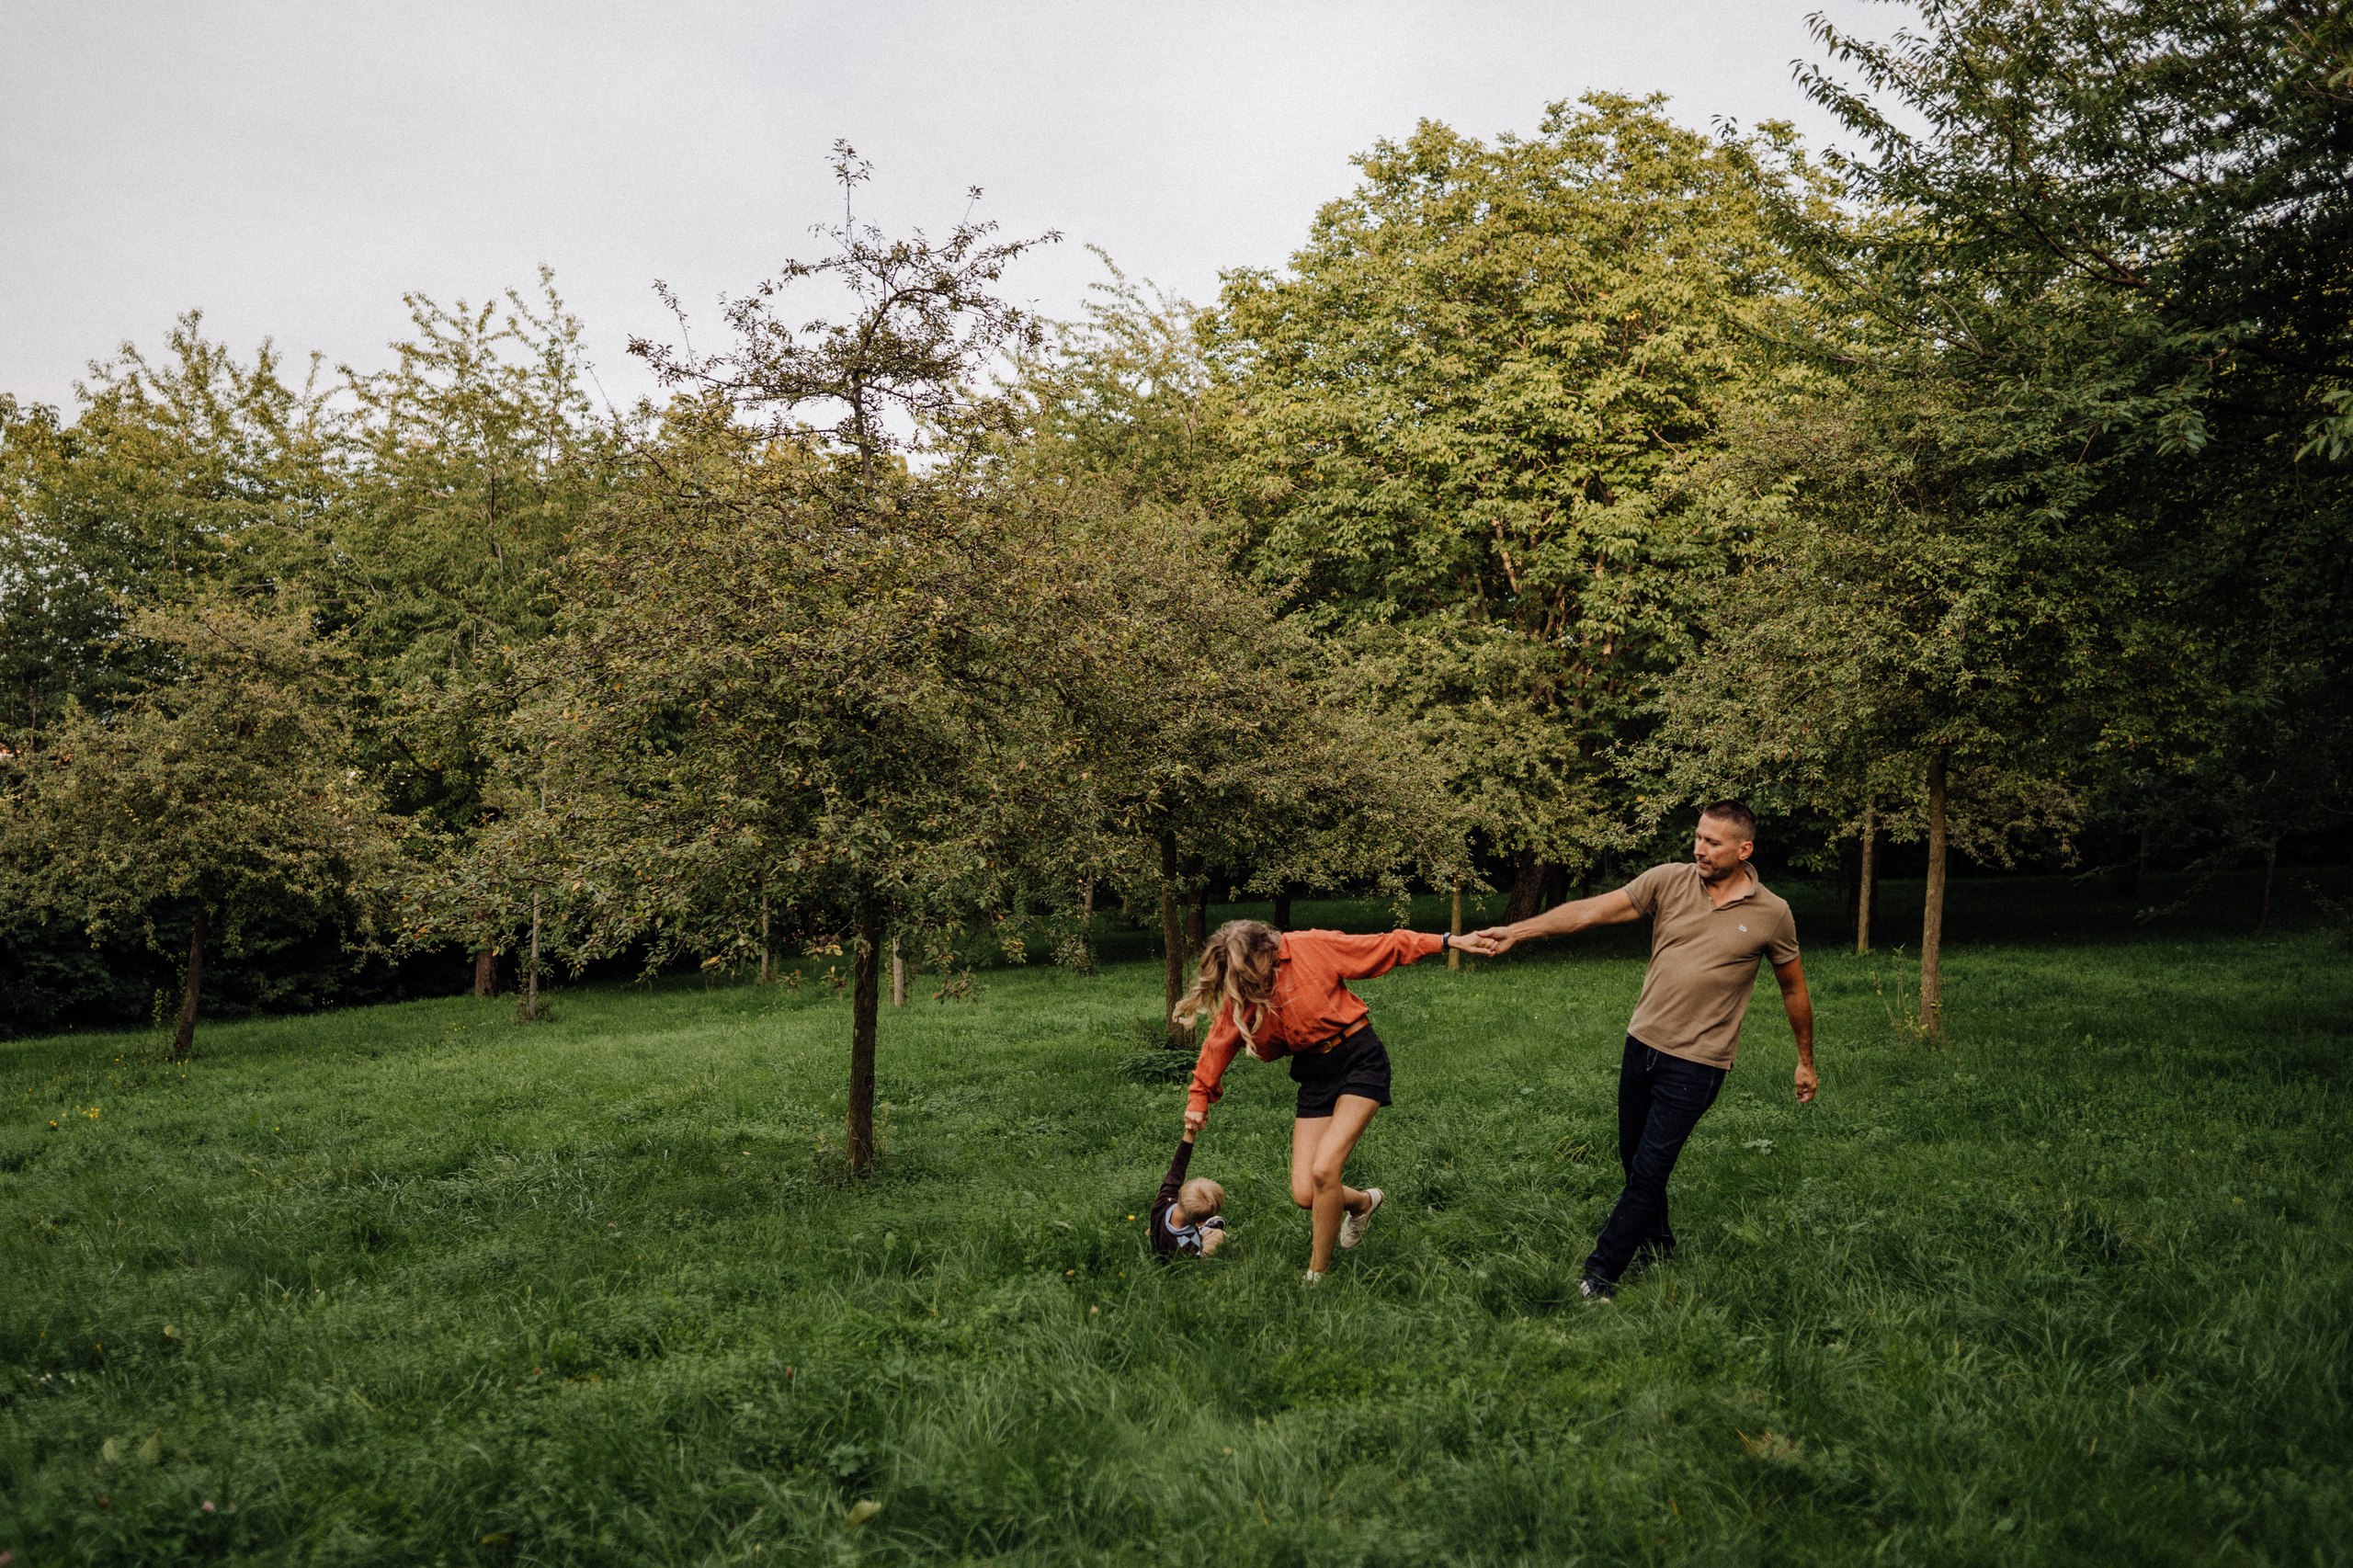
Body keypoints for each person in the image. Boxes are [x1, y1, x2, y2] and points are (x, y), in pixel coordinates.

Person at [1472, 799, 1816, 1301]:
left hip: (1698, 1063)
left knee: (1651, 1169)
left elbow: (1793, 989)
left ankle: (1600, 1275)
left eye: (1712, 842)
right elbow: (1590, 911)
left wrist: (1805, 1060)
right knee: (1634, 1160)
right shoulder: (1669, 881)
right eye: (1697, 837)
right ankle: (1658, 1242)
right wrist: (1518, 932)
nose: (1698, 849)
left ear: (1744, 849)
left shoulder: (1772, 914)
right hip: (1643, 1046)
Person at [1176, 918, 1472, 1282]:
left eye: (1246, 969)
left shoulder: (1309, 945)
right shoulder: (1248, 988)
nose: (1244, 981)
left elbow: (1380, 946)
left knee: (1324, 1171)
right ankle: (1363, 1203)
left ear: (1266, 949)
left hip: (1359, 1057)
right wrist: (1199, 1097)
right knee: (1305, 1193)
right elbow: (1220, 1039)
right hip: (1315, 1074)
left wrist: (1444, 941)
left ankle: (1317, 1276)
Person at [1150, 1131, 1228, 1257]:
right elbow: (1191, 1266)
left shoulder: (1164, 1201)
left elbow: (1177, 1169)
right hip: (1178, 1245)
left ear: (1182, 1189)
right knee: (1219, 1235)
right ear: (1200, 1220)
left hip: (1160, 1232)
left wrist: (1190, 1134)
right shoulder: (1190, 1241)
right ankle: (1207, 1228)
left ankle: (1151, 1233)